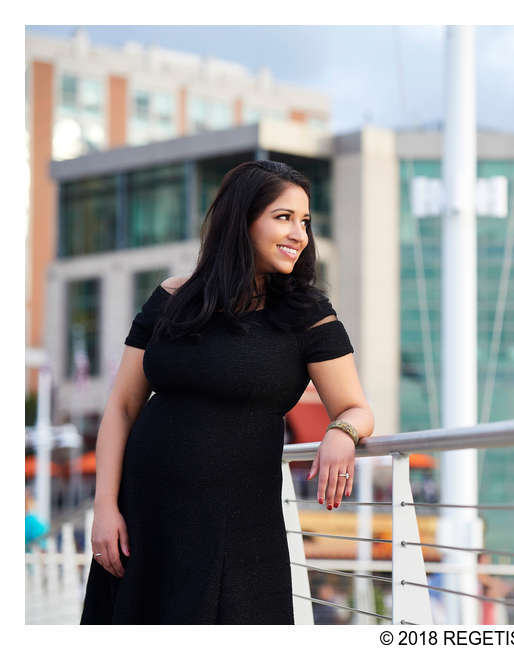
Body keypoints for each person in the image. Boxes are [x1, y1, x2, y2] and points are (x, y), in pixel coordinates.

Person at [79, 160, 374, 624]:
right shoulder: (171, 298)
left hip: (238, 532)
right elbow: (121, 407)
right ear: (241, 219)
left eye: (305, 221)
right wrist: (104, 509)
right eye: (283, 217)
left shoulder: (307, 313)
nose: (299, 234)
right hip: (143, 524)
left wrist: (341, 431)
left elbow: (356, 406)